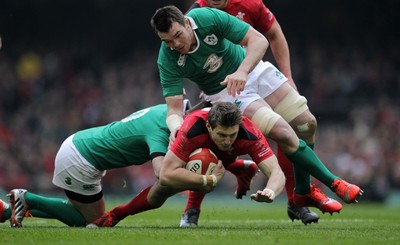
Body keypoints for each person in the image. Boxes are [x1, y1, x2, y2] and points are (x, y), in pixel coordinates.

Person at [150, 4, 363, 223]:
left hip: (251, 68)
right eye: (167, 41)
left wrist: (242, 71)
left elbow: (260, 40)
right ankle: (335, 182)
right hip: (226, 92)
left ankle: (301, 193)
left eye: (177, 36)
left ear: (187, 23)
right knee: (283, 132)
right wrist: (176, 127)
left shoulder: (206, 18)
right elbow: (174, 109)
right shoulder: (167, 58)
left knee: (306, 124)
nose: (176, 44)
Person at [180, 0, 319, 226]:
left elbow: (274, 34)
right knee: (211, 144)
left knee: (304, 125)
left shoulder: (250, 4)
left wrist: (288, 75)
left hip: (253, 75)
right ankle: (191, 210)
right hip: (223, 89)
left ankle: (297, 201)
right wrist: (199, 90)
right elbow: (187, 53)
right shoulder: (195, 14)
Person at [88, 102, 285, 227]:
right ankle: (116, 214)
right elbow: (165, 174)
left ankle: (193, 210)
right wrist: (208, 179)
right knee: (162, 190)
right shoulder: (191, 128)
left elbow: (276, 172)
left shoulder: (249, 133)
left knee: (208, 161)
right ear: (209, 126)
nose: (227, 140)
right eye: (222, 135)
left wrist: (271, 191)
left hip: (216, 158)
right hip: (194, 153)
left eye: (232, 135)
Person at [0, 102, 184, 227]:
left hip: (80, 145)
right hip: (81, 158)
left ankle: (8, 210)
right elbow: (162, 174)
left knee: (74, 209)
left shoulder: (163, 111)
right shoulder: (158, 133)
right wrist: (202, 177)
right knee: (92, 219)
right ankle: (27, 198)